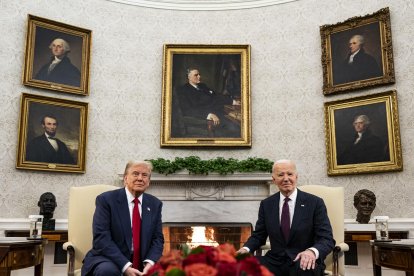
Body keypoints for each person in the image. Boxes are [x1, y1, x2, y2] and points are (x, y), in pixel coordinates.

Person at [237, 160, 335, 276]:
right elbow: (258, 236)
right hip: (275, 261)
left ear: (296, 177)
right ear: (274, 180)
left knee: (302, 269)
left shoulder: (315, 203)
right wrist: (245, 249)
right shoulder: (266, 204)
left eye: (289, 174)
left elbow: (327, 239)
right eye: (280, 175)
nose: (286, 178)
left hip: (303, 261)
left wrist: (311, 252)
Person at [82, 161, 164, 276]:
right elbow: (101, 238)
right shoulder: (106, 200)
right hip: (109, 258)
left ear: (148, 182)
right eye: (135, 174)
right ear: (125, 179)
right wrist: (125, 266)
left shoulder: (155, 204)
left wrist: (150, 262)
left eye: (144, 175)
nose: (140, 178)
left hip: (143, 260)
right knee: (108, 271)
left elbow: (157, 239)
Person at [176, 67, 241, 137]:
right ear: (189, 77)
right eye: (196, 75)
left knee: (238, 123)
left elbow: (216, 96)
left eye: (199, 74)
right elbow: (188, 110)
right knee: (234, 129)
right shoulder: (183, 90)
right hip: (204, 119)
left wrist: (233, 101)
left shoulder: (202, 86)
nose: (199, 76)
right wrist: (209, 114)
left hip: (218, 113)